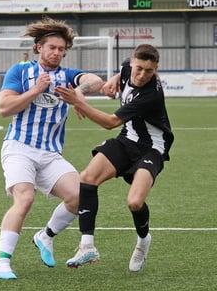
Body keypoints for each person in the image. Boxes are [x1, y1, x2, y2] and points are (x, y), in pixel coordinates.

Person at [0, 17, 103, 280]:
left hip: (50, 153)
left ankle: (45, 235)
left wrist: (80, 92)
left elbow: (95, 80)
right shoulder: (19, 71)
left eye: (61, 49)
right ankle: (2, 263)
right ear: (39, 47)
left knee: (79, 196)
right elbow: (5, 108)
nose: (57, 53)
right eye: (52, 47)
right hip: (19, 148)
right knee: (25, 198)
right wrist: (36, 90)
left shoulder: (68, 75)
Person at [55, 44, 174, 272]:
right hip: (127, 139)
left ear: (156, 70)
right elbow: (123, 72)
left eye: (149, 71)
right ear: (132, 62)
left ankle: (143, 241)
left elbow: (110, 123)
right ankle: (87, 245)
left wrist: (79, 102)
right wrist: (114, 79)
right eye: (139, 68)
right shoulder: (127, 68)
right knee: (88, 177)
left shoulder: (151, 94)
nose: (142, 75)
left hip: (152, 149)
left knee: (134, 202)